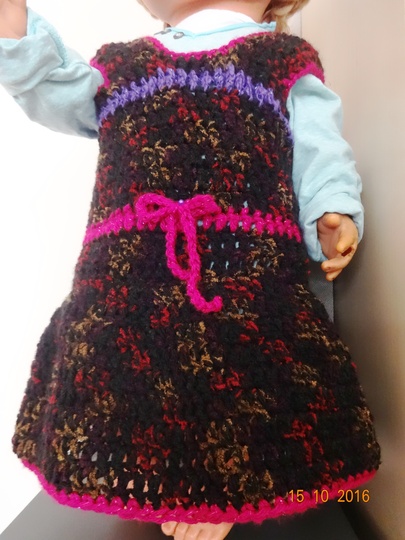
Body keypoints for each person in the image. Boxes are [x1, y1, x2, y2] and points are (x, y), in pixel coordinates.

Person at [0, 1, 380, 539]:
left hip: (242, 273)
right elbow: (54, 88)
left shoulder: (282, 60)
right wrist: (17, 33)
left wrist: (331, 207)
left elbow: (321, 151)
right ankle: (164, 479)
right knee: (136, 376)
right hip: (127, 276)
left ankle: (225, 490)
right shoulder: (119, 65)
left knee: (239, 374)